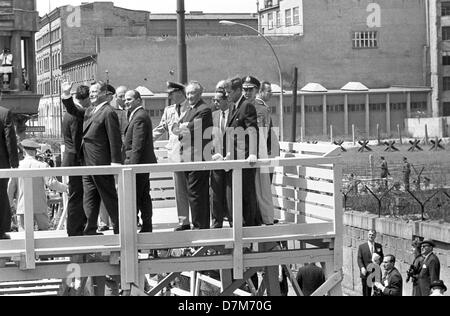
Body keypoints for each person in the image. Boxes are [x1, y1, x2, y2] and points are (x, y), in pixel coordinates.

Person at [62, 81, 123, 235]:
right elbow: (73, 110)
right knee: (89, 198)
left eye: (95, 92)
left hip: (100, 163)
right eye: (91, 92)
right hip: (87, 164)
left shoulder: (108, 112)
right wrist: (67, 94)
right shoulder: (90, 110)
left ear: (104, 94)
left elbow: (115, 139)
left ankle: (120, 228)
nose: (92, 95)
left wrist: (115, 162)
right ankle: (90, 229)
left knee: (108, 197)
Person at [174, 81, 213, 230]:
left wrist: (183, 127)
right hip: (187, 157)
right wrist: (183, 127)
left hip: (198, 157)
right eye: (188, 93)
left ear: (200, 94)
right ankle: (198, 225)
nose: (189, 96)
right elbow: (177, 129)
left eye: (192, 93)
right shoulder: (190, 110)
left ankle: (200, 227)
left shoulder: (204, 110)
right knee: (192, 193)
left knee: (197, 194)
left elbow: (188, 130)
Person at [153, 82, 191, 231]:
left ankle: (200, 221)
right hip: (176, 155)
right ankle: (184, 222)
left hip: (191, 155)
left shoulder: (191, 108)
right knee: (180, 191)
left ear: (180, 92)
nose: (169, 96)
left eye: (172, 93)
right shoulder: (169, 111)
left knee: (195, 191)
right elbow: (160, 129)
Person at [8, 140, 68, 231]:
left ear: (24, 150)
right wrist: (66, 188)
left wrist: (10, 204)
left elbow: (11, 187)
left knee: (24, 236)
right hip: (40, 206)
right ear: (35, 151)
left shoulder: (17, 166)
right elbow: (52, 184)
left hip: (22, 206)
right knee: (44, 233)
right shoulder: (42, 166)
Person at [224, 77, 260, 227]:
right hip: (235, 158)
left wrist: (252, 153)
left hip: (245, 159)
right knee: (236, 194)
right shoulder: (234, 107)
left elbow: (252, 130)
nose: (227, 95)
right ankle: (241, 224)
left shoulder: (246, 107)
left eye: (229, 92)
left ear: (238, 91)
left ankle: (250, 226)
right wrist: (228, 153)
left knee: (246, 195)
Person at [123, 90, 157, 233]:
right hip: (140, 164)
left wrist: (132, 168)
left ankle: (140, 225)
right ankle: (146, 225)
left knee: (136, 196)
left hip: (138, 165)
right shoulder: (136, 115)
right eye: (125, 99)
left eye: (129, 99)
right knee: (142, 195)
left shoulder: (139, 117)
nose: (126, 102)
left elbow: (138, 145)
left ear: (138, 100)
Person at [62, 85, 90, 237]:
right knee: (77, 195)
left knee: (76, 195)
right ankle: (75, 230)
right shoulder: (77, 113)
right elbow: (76, 139)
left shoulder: (68, 114)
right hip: (76, 160)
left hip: (70, 158)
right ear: (85, 99)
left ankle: (76, 228)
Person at [254, 81, 278, 225]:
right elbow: (264, 134)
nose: (271, 94)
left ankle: (262, 215)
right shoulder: (261, 108)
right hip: (265, 153)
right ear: (261, 91)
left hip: (264, 152)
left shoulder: (261, 107)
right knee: (264, 186)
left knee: (261, 186)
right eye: (269, 91)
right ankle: (264, 216)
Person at [210, 85, 232, 229]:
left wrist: (232, 155)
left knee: (231, 194)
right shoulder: (213, 116)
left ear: (226, 100)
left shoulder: (234, 114)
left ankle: (233, 222)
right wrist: (213, 154)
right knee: (215, 193)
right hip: (217, 160)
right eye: (214, 100)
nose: (215, 103)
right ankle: (216, 223)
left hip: (232, 161)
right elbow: (209, 137)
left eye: (218, 100)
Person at [0, 104, 19, 239]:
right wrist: (14, 163)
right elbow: (10, 139)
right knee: (1, 194)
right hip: (1, 164)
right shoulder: (4, 113)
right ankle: (1, 231)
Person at [357, 229, 384, 296]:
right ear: (367, 235)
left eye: (373, 235)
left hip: (376, 271)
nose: (371, 236)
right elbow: (359, 259)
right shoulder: (362, 247)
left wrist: (378, 261)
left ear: (375, 236)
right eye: (370, 234)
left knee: (377, 290)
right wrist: (362, 268)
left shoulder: (379, 246)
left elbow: (382, 256)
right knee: (366, 291)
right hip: (366, 272)